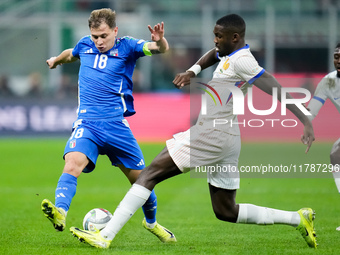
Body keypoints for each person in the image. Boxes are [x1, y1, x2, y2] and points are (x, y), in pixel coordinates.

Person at [70, 14, 317, 249]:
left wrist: (304, 119)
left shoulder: (243, 61)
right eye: (214, 34)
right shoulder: (231, 52)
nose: (214, 40)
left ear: (234, 37)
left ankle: (105, 236)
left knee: (148, 175)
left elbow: (273, 86)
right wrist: (193, 71)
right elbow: (213, 54)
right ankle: (298, 219)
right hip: (228, 137)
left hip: (210, 134)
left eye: (219, 36)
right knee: (226, 211)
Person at [41, 8, 176, 244]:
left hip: (116, 126)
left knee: (142, 181)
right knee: (72, 163)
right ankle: (60, 212)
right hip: (87, 123)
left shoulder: (129, 46)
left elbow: (159, 49)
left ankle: (151, 223)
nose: (99, 41)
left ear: (115, 31)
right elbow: (71, 53)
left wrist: (160, 40)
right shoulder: (85, 45)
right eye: (95, 36)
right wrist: (55, 61)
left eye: (104, 36)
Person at [307, 42, 340, 230]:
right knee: (336, 154)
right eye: (336, 56)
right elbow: (312, 111)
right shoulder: (328, 81)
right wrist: (305, 121)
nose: (339, 60)